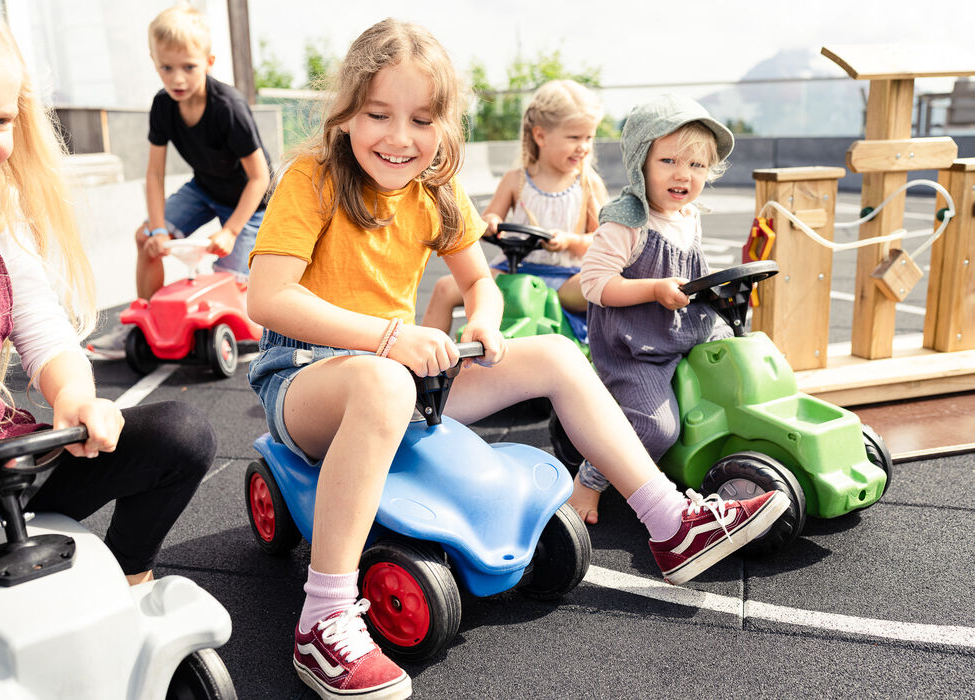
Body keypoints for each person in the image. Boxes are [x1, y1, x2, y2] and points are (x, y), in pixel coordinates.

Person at [246, 20, 788, 700]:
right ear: (347, 112)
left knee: (558, 353)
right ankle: (322, 621)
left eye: (421, 119)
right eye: (378, 115)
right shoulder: (314, 178)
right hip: (306, 377)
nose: (399, 138)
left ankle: (668, 521)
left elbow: (476, 281)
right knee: (386, 383)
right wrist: (388, 339)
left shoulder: (434, 192)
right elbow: (268, 298)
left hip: (402, 372)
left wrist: (485, 320)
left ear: (443, 127)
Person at [0, 0, 215, 588]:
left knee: (182, 436)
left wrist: (77, 398)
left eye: (0, 121)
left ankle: (130, 582)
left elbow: (40, 325)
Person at [573, 94, 737, 523]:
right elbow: (594, 284)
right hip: (637, 347)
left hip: (687, 327)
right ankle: (589, 480)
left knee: (743, 356)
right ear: (640, 163)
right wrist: (653, 290)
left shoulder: (688, 214)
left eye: (696, 166)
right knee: (654, 427)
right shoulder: (627, 221)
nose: (683, 175)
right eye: (669, 161)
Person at [89, 3, 272, 357]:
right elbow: (154, 172)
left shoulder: (228, 108)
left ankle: (259, 338)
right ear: (154, 62)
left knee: (230, 280)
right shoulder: (163, 106)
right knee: (145, 238)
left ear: (209, 62)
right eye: (166, 68)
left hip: (250, 201)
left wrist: (231, 231)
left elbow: (259, 176)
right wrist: (158, 230)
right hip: (204, 188)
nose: (177, 79)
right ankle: (139, 323)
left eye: (188, 67)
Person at [420, 79, 608, 337]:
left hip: (564, 277)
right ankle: (424, 364)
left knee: (603, 291)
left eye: (589, 137)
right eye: (574, 137)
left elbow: (601, 240)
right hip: (514, 269)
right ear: (540, 136)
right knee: (444, 287)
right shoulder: (515, 180)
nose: (584, 147)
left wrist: (569, 241)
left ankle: (606, 354)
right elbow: (489, 219)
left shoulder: (587, 184)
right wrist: (493, 223)